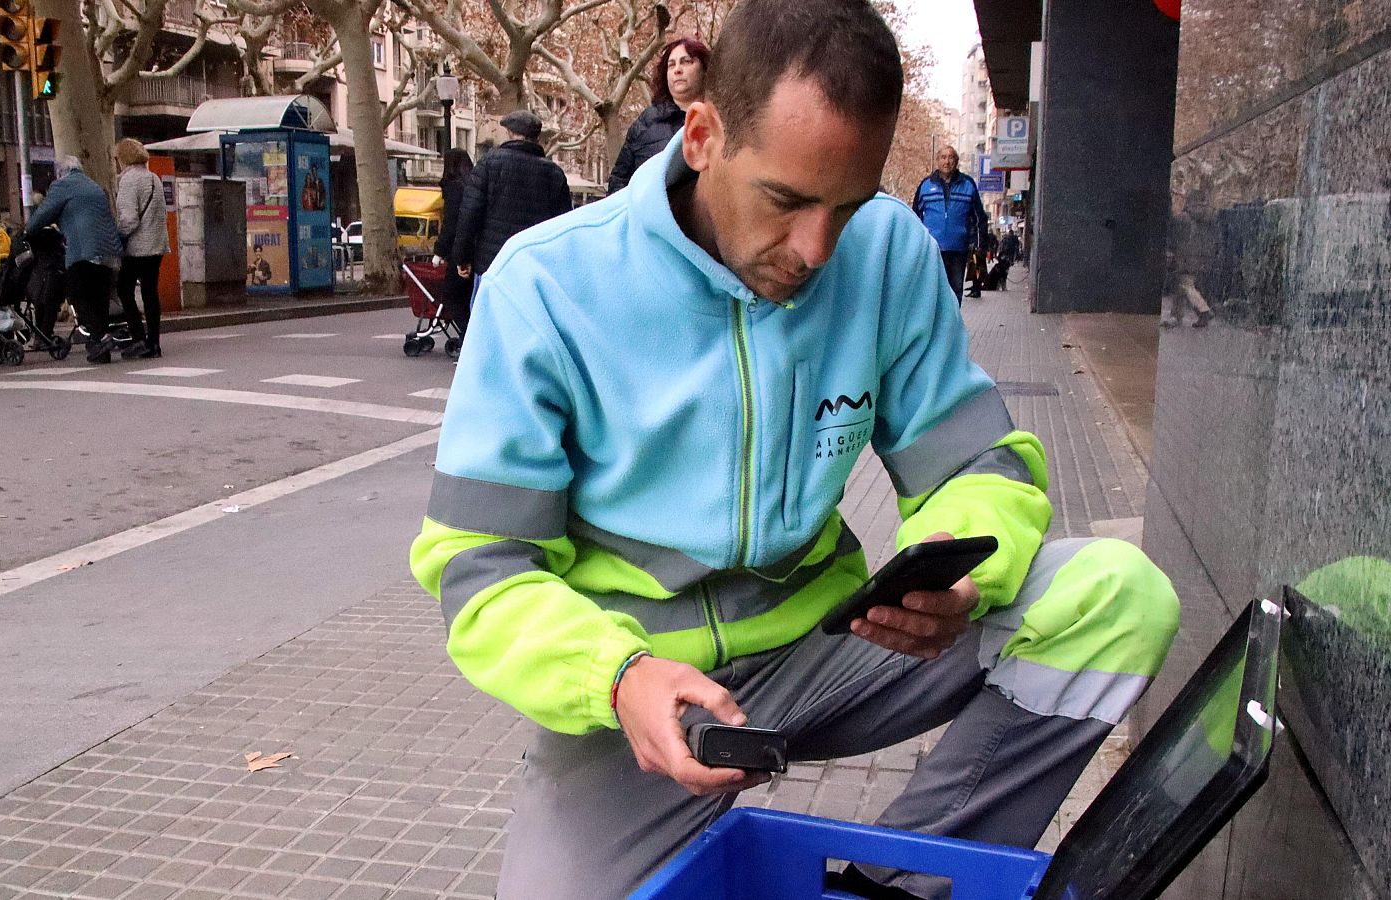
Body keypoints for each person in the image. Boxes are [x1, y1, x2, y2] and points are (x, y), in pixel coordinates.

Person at [408, 2, 1181, 899]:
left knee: (1114, 597)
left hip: (833, 644)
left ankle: (891, 889)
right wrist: (615, 678)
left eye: (847, 206)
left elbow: (979, 467)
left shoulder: (890, 252)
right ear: (701, 135)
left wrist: (966, 580)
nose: (817, 249)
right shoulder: (544, 287)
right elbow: (481, 566)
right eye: (787, 200)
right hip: (645, 689)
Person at [449, 109, 571, 280]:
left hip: (492, 266)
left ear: (510, 132)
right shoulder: (554, 174)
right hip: (534, 267)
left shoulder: (488, 163)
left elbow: (469, 213)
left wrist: (462, 257)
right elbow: (563, 226)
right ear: (536, 137)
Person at [26, 156, 123, 364]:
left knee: (76, 294)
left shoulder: (62, 186)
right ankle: (99, 346)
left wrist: (28, 230)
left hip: (84, 251)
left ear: (60, 172)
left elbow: (42, 215)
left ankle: (101, 338)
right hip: (109, 250)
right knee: (98, 299)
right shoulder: (94, 186)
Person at [608, 37, 711, 193]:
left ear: (705, 70)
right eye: (671, 65)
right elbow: (619, 181)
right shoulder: (647, 122)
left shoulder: (722, 121)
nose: (677, 69)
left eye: (686, 62)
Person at [112, 138, 169, 359]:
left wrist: (118, 237)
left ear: (122, 158)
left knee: (124, 289)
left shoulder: (128, 181)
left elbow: (129, 219)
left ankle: (138, 337)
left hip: (137, 247)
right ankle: (154, 342)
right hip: (157, 245)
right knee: (150, 293)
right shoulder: (153, 178)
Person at [912, 146, 990, 304]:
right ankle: (934, 326)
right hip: (932, 249)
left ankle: (952, 326)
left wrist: (979, 245)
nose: (947, 162)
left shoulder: (968, 185)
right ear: (937, 161)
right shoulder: (925, 186)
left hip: (958, 250)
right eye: (943, 157)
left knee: (955, 291)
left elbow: (979, 218)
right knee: (931, 291)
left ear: (956, 161)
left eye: (950, 157)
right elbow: (914, 217)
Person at [430, 148, 476, 339]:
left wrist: (439, 252)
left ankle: (468, 341)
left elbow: (451, 223)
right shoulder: (473, 184)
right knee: (468, 299)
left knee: (451, 296)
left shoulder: (453, 187)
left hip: (460, 250)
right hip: (477, 250)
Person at [1162, 189, 1215, 328]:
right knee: (1180, 286)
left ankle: (1204, 310)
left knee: (1186, 284)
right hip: (1200, 257)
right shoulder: (1205, 218)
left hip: (1187, 258)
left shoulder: (1184, 219)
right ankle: (1175, 315)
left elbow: (1177, 238)